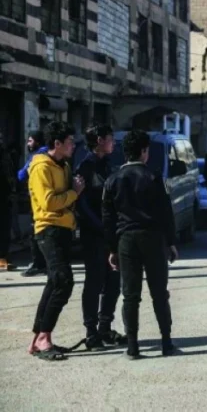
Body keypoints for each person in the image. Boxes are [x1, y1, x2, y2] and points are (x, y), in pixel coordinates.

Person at [102, 130, 177, 360]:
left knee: (130, 295)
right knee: (159, 293)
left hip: (126, 241)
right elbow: (166, 213)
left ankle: (133, 347)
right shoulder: (154, 177)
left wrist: (112, 248)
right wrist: (171, 242)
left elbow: (108, 219)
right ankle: (166, 342)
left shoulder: (112, 180)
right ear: (144, 151)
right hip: (153, 239)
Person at [28, 122, 85, 361]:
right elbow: (49, 202)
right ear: (57, 143)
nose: (73, 146)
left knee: (54, 282)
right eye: (70, 142)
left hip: (64, 229)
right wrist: (74, 192)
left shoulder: (64, 166)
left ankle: (38, 339)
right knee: (63, 281)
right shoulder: (41, 167)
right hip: (48, 229)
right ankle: (44, 337)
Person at [75, 124, 126, 350]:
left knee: (113, 280)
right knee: (94, 281)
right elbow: (81, 203)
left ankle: (105, 327)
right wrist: (100, 226)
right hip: (93, 233)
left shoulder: (109, 165)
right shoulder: (85, 167)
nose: (113, 142)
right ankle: (91, 332)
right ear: (99, 140)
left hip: (112, 232)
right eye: (110, 138)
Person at [18, 131, 48, 276]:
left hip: (38, 200)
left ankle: (38, 264)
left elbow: (22, 175)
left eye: (30, 141)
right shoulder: (51, 154)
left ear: (37, 141)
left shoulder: (37, 156)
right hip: (49, 201)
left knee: (35, 232)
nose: (28, 144)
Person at [0, 132, 16, 271]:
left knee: (4, 228)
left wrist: (13, 190)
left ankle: (2, 257)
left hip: (5, 197)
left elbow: (9, 174)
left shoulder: (5, 154)